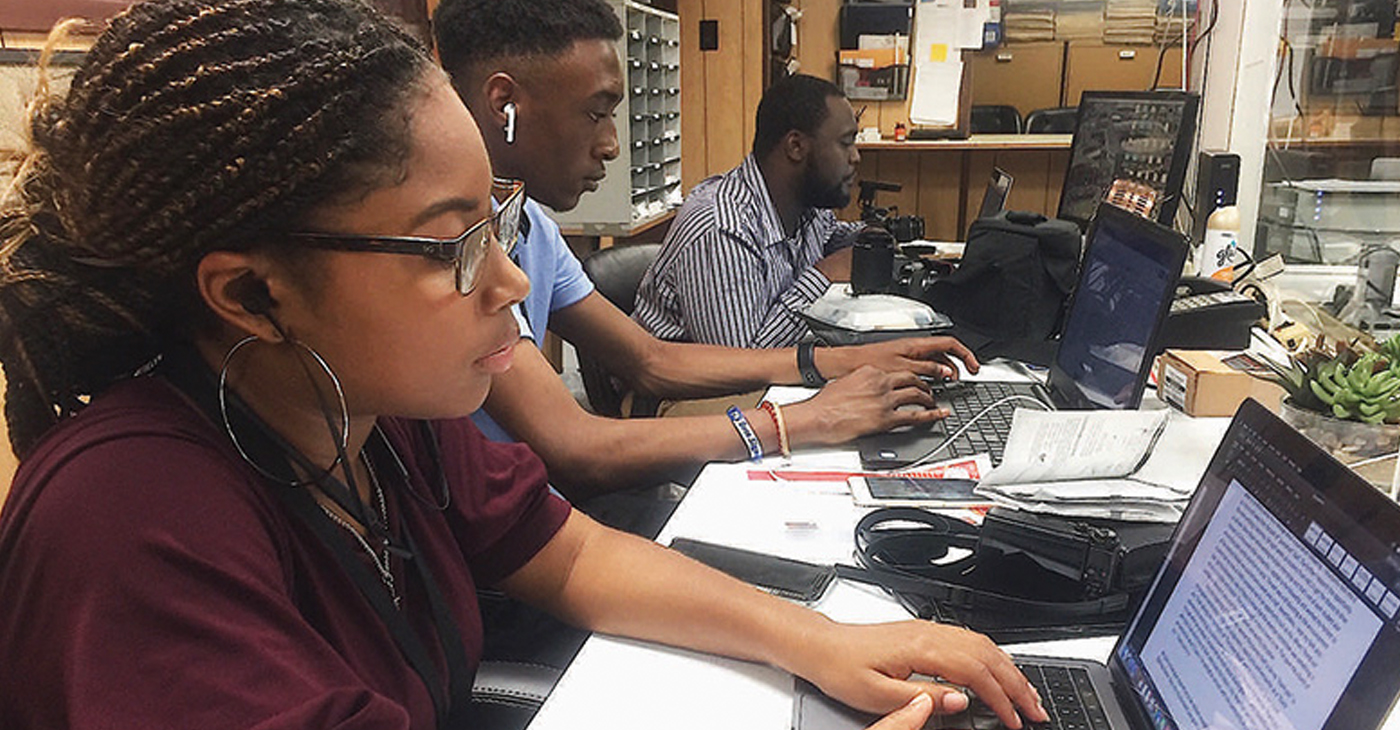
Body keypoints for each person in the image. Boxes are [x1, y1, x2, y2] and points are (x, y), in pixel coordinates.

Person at [0, 2, 1051, 729]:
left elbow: (574, 556)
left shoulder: (375, 413)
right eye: (454, 244)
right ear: (249, 295)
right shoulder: (131, 522)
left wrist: (818, 640)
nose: (510, 283)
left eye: (497, 229)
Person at [431, 0, 979, 502]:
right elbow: (578, 448)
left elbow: (651, 359)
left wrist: (843, 360)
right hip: (504, 554)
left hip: (534, 520)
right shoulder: (446, 252)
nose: (611, 144)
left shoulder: (532, 227)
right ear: (504, 103)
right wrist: (802, 420)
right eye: (596, 113)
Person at [633, 74, 866, 349]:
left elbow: (829, 235)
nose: (855, 156)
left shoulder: (805, 206)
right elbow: (742, 363)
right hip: (679, 390)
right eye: (845, 142)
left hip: (744, 383)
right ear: (796, 147)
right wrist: (825, 275)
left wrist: (870, 237)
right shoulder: (722, 226)